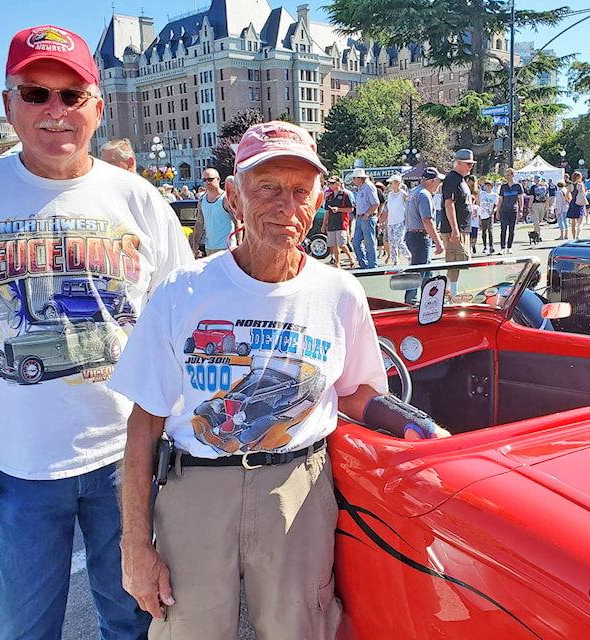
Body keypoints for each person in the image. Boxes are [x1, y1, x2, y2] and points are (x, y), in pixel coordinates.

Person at [110, 120, 449, 640]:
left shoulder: (339, 292)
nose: (284, 206)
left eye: (299, 190)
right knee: (188, 630)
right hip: (195, 487)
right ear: (233, 196)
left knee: (300, 628)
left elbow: (355, 390)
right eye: (267, 187)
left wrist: (413, 424)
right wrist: (135, 544)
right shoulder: (184, 290)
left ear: (319, 198)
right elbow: (144, 422)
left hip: (298, 488)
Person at [0, 24, 193, 639]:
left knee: (136, 617)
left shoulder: (141, 201)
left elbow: (178, 330)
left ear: (97, 103)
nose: (55, 111)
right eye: (36, 93)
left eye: (71, 95)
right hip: (17, 469)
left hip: (129, 457)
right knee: (21, 625)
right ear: (9, 102)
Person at [403, 167, 445, 304]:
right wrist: (438, 241)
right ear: (433, 181)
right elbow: (427, 220)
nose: (438, 184)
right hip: (420, 236)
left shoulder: (413, 192)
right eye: (438, 181)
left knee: (425, 269)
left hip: (412, 233)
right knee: (420, 269)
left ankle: (429, 297)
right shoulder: (424, 194)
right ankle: (412, 299)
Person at [439, 149, 476, 296]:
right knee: (455, 261)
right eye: (467, 164)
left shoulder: (461, 180)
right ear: (458, 162)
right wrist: (454, 230)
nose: (470, 167)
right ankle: (452, 293)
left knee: (460, 261)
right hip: (454, 229)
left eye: (471, 164)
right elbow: (449, 204)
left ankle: (449, 290)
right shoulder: (452, 179)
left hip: (462, 227)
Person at [192, 167, 238, 257]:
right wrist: (195, 245)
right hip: (210, 247)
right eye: (204, 180)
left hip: (227, 247)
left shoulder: (226, 199)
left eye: (210, 179)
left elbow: (237, 222)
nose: (207, 182)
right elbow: (199, 224)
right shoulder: (202, 201)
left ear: (218, 179)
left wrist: (239, 243)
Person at [321, 175, 357, 268]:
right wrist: (324, 224)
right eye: (329, 183)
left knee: (341, 244)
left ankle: (350, 257)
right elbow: (327, 211)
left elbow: (351, 209)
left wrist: (339, 209)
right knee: (333, 244)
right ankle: (337, 262)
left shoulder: (345, 195)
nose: (330, 185)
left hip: (342, 222)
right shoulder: (329, 197)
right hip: (331, 222)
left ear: (338, 183)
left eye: (332, 183)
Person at [350, 167, 379, 268]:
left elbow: (375, 203)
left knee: (369, 242)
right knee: (356, 242)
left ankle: (372, 265)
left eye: (354, 178)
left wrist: (367, 214)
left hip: (368, 217)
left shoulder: (368, 186)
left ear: (359, 178)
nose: (353, 181)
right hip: (360, 217)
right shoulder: (361, 187)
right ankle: (363, 264)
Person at [379, 174, 410, 266]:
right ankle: (395, 261)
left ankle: (409, 256)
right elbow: (388, 209)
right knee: (392, 242)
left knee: (398, 241)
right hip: (391, 222)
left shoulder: (403, 194)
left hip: (400, 221)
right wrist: (382, 220)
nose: (389, 185)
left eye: (391, 183)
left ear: (398, 183)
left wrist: (406, 219)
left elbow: (409, 208)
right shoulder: (389, 195)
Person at [497, 168, 524, 255]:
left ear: (512, 175)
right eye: (506, 175)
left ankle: (509, 247)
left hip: (513, 210)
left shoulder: (518, 186)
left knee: (512, 230)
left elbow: (520, 198)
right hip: (504, 210)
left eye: (508, 175)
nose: (507, 177)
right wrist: (497, 211)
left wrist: (521, 209)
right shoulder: (503, 187)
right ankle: (502, 248)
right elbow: (500, 199)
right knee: (503, 228)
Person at [478, 179, 498, 253]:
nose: (488, 187)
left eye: (489, 185)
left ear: (492, 187)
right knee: (484, 231)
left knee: (490, 230)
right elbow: (478, 203)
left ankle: (491, 246)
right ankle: (485, 246)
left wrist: (494, 211)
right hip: (482, 214)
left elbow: (496, 205)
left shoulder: (494, 195)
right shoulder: (482, 194)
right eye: (486, 185)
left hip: (489, 215)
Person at [566, 171, 586, 239]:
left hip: (572, 203)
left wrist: (569, 201)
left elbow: (566, 196)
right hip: (579, 203)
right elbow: (583, 195)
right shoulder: (580, 185)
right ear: (578, 177)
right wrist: (587, 193)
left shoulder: (570, 186)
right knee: (580, 222)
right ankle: (578, 236)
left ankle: (573, 238)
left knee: (573, 224)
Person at [465, 175, 480, 254]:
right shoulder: (466, 188)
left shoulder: (476, 190)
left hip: (474, 208)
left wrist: (476, 208)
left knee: (474, 234)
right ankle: (469, 246)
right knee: (469, 233)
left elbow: (478, 200)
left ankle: (474, 245)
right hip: (468, 208)